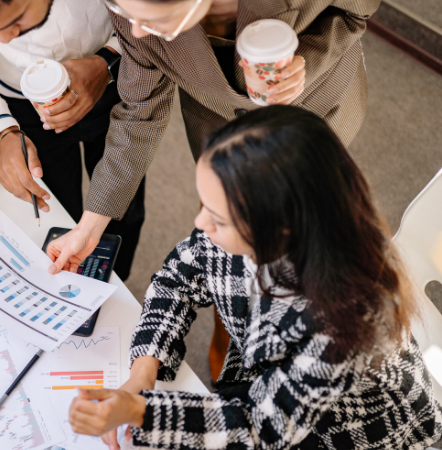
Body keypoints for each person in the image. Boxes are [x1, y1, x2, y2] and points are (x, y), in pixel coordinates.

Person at [67, 106, 442, 449]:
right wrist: (143, 372)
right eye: (205, 206)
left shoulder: (349, 317)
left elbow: (263, 426)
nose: (200, 224)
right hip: (269, 384)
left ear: (277, 229)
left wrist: (140, 413)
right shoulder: (254, 227)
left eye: (217, 219)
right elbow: (175, 279)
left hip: (346, 432)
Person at [46, 0, 380, 382]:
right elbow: (140, 113)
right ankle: (232, 326)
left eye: (145, 13)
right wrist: (88, 229)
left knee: (299, 238)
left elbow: (355, 11)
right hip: (219, 127)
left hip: (313, 113)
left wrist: (307, 57)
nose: (134, 32)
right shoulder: (132, 12)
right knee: (228, 236)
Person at [0, 0, 145, 280]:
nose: (3, 39)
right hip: (23, 101)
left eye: (14, 21)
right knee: (56, 213)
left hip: (121, 67)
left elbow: (152, 12)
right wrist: (0, 128)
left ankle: (118, 281)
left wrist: (109, 58)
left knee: (124, 204)